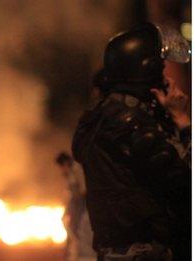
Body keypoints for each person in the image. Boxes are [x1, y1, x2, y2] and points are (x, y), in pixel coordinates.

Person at [72, 23, 191, 261]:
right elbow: (187, 181)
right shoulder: (134, 126)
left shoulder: (101, 118)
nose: (166, 77)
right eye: (161, 68)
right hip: (148, 252)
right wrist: (183, 122)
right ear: (146, 70)